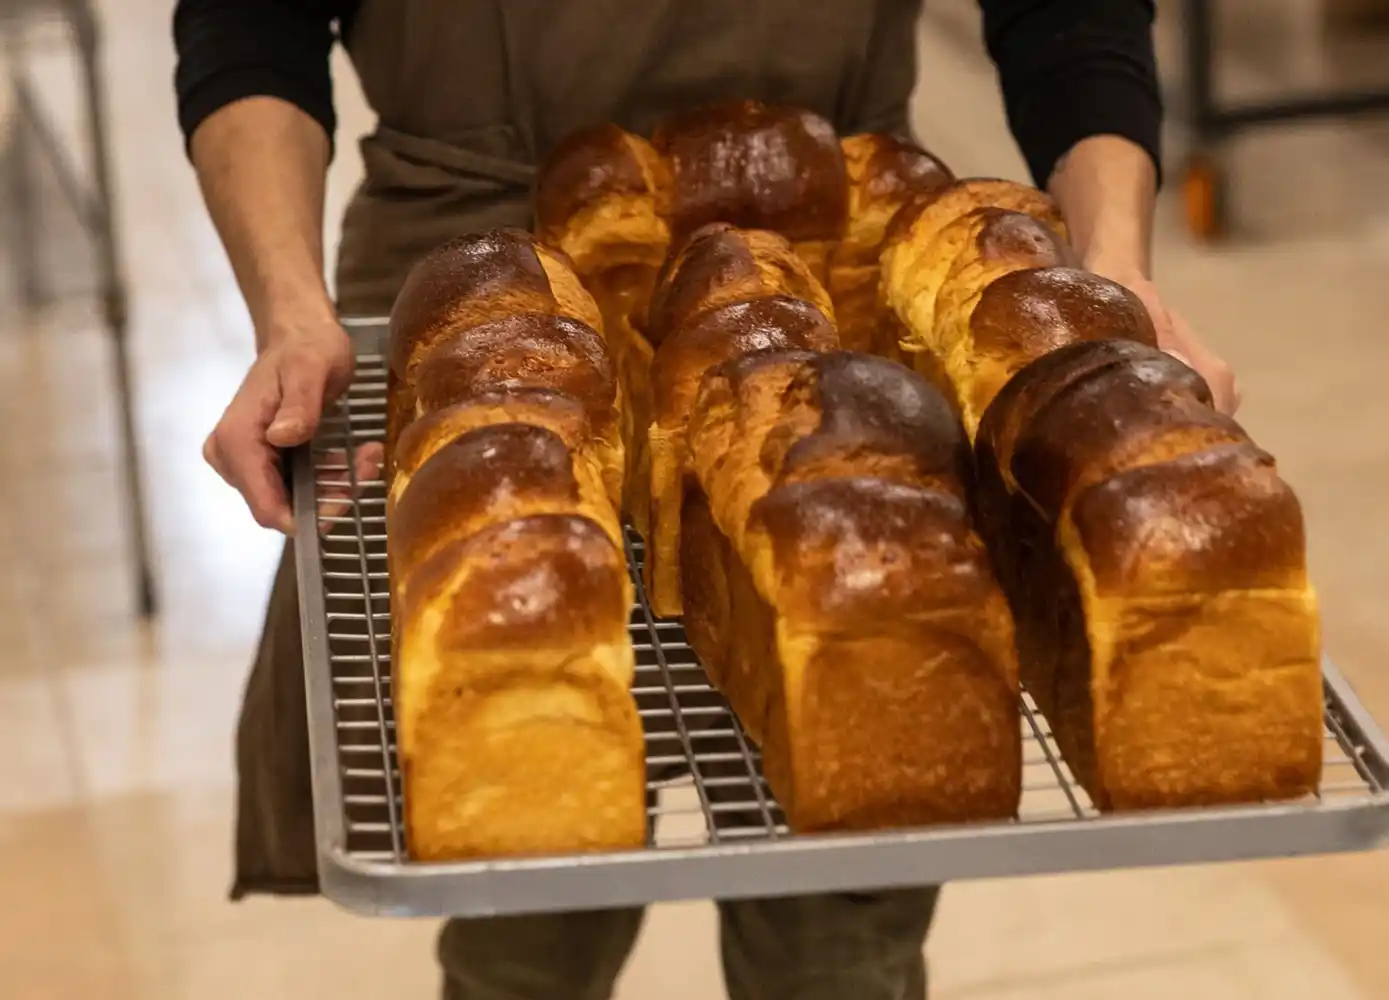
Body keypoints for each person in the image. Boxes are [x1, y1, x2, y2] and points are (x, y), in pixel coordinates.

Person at [173, 2, 1239, 997]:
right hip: (488, 301)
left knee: (856, 875)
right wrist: (289, 309)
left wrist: (1114, 266)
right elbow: (250, 19)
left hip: (832, 268)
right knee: (524, 876)